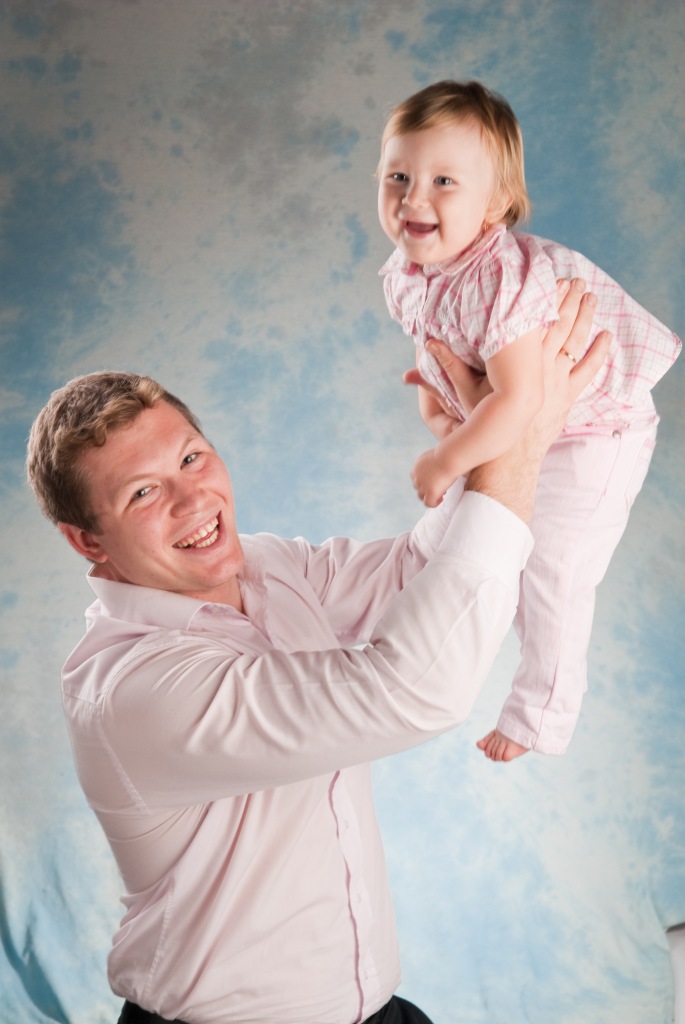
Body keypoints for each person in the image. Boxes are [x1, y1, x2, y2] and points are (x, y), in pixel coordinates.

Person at [26, 284, 605, 1024]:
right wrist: (520, 432)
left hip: (375, 1010)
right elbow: (411, 689)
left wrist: (490, 427)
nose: (192, 499)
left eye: (193, 457)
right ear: (88, 540)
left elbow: (415, 572)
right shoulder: (133, 688)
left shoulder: (265, 567)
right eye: (143, 493)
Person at [377, 79, 681, 762]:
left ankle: (541, 713)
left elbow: (519, 399)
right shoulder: (410, 268)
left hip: (598, 432)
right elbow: (435, 338)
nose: (413, 198)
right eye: (397, 176)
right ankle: (418, 655)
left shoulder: (499, 279)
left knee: (552, 567)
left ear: (495, 206)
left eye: (443, 181)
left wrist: (447, 457)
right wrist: (438, 402)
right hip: (529, 416)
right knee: (467, 539)